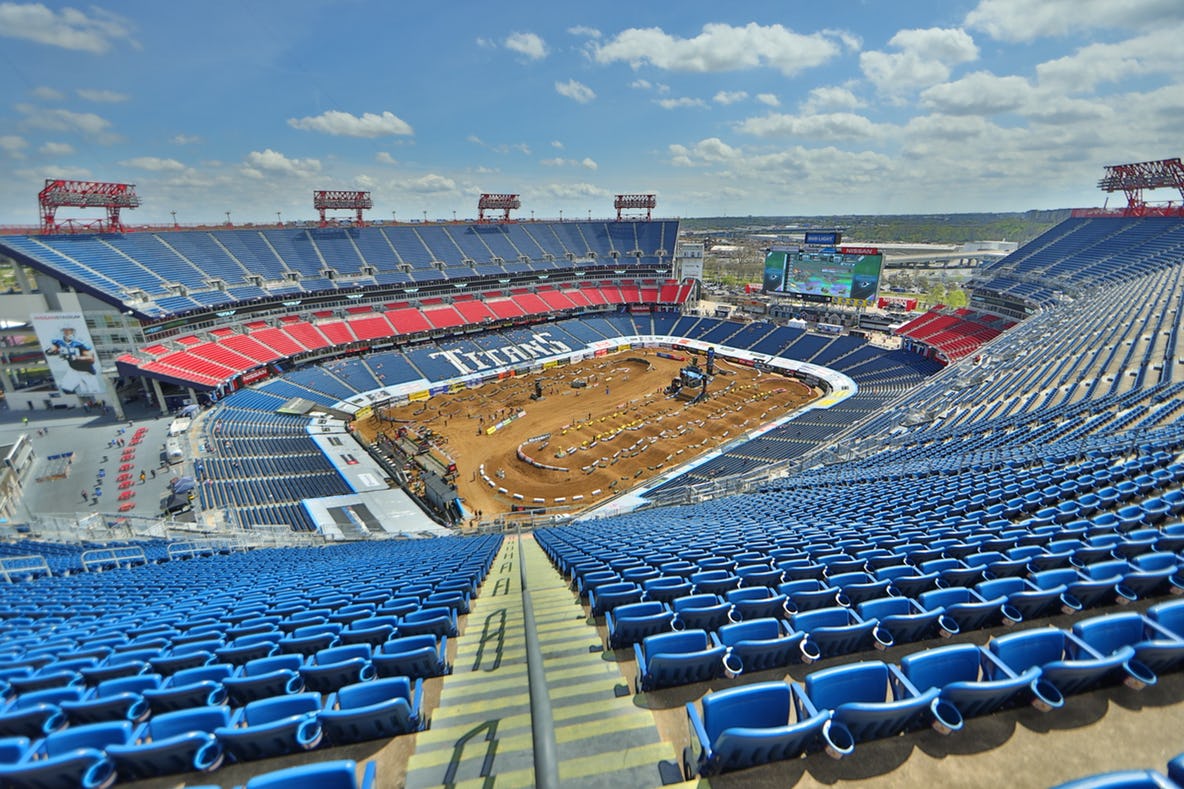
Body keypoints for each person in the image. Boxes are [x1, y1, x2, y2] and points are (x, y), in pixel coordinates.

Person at [44, 327, 101, 394]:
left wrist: (76, 357)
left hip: (87, 372)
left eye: (69, 330)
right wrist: (50, 351)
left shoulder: (79, 343)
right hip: (73, 369)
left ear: (73, 331)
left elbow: (91, 359)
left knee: (95, 393)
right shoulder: (59, 341)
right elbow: (54, 349)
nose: (67, 332)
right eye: (65, 330)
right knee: (66, 388)